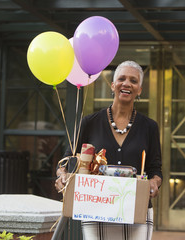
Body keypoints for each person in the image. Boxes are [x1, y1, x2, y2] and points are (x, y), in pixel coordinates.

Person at [55, 60, 162, 240]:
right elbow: (67, 160)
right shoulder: (89, 123)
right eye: (122, 79)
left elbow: (155, 170)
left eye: (133, 81)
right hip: (96, 209)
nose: (127, 83)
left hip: (135, 209)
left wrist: (154, 183)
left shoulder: (149, 127)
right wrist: (62, 176)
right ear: (113, 85)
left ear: (140, 89)